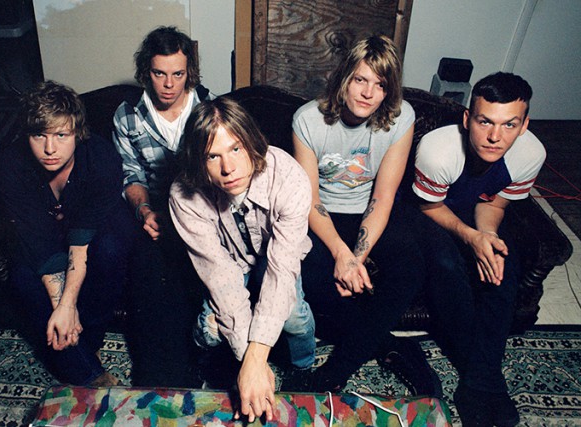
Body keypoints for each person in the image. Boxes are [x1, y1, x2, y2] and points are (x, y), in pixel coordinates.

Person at [292, 35, 440, 393]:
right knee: (307, 275)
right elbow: (309, 200)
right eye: (361, 79)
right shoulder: (307, 120)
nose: (368, 93)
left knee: (410, 266)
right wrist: (340, 255)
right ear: (344, 77)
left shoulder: (402, 117)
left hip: (367, 211)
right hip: (321, 214)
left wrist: (355, 259)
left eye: (380, 85)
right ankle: (392, 346)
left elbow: (383, 197)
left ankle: (337, 370)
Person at [410, 72, 545, 426]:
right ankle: (486, 381)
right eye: (485, 121)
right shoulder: (438, 151)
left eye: (509, 124)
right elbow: (428, 207)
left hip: (476, 215)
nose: (495, 136)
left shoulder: (531, 153)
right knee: (447, 265)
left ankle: (478, 382)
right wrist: (469, 238)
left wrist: (486, 236)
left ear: (524, 125)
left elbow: (494, 203)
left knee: (503, 264)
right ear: (468, 118)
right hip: (433, 213)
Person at [169, 97, 316, 422]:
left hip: (276, 256)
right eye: (213, 156)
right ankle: (207, 367)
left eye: (236, 149)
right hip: (229, 262)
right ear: (198, 159)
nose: (228, 167)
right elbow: (220, 276)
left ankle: (303, 367)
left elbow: (281, 270)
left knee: (292, 315)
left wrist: (255, 361)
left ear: (252, 142)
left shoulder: (288, 177)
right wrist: (251, 364)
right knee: (211, 329)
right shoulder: (184, 194)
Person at [0, 80, 131, 386]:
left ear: (77, 133)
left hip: (92, 235)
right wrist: (63, 309)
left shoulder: (101, 159)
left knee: (110, 248)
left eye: (61, 135)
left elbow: (79, 245)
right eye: (39, 135)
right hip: (44, 240)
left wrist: (68, 306)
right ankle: (89, 374)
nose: (49, 149)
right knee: (22, 277)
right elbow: (42, 250)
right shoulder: (12, 164)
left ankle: (87, 341)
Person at [112, 26, 212, 387]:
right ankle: (155, 379)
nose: (169, 84)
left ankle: (200, 370)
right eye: (159, 73)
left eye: (178, 74)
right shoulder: (127, 116)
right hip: (153, 212)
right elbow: (131, 174)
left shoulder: (210, 110)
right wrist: (144, 211)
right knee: (149, 274)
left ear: (189, 73)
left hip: (201, 212)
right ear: (146, 71)